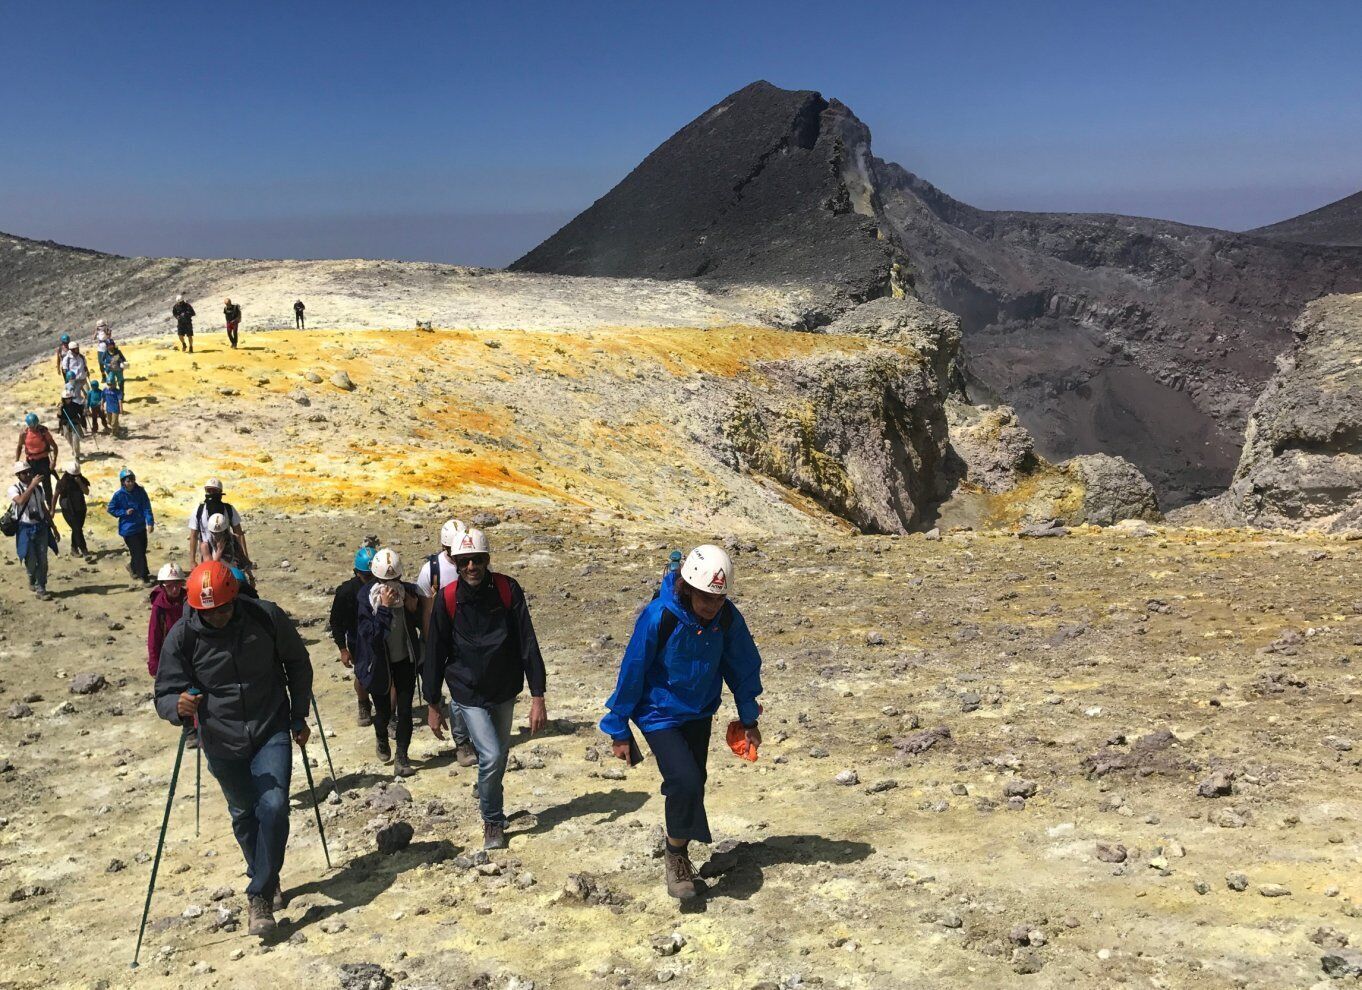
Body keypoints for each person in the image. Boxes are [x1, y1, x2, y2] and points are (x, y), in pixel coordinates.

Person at [153, 561, 313, 937]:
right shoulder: (182, 637)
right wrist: (177, 707)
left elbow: (298, 663)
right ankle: (266, 874)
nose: (219, 616)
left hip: (269, 725)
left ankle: (258, 895)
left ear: (235, 599)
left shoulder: (266, 617)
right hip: (220, 738)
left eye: (224, 608)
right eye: (209, 612)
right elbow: (164, 692)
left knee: (273, 806)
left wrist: (298, 713)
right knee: (244, 813)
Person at [601, 544, 763, 899]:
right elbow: (632, 671)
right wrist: (618, 727)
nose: (713, 606)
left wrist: (748, 718)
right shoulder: (660, 616)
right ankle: (675, 857)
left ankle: (680, 849)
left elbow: (742, 667)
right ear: (687, 588)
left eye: (719, 598)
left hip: (699, 710)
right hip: (658, 713)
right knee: (685, 781)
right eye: (706, 597)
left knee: (695, 784)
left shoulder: (727, 619)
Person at [423, 527, 548, 850]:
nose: (471, 567)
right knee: (491, 755)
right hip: (467, 691)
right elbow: (435, 650)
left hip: (504, 687)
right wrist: (433, 703)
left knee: (500, 754)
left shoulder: (508, 590)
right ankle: (492, 820)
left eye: (477, 560)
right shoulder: (447, 598)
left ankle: (491, 799)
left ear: (487, 559)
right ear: (454, 560)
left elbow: (527, 641)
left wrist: (538, 695)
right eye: (464, 561)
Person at [413, 518, 476, 766]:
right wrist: (433, 645)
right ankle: (462, 741)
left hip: (467, 639)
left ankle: (466, 739)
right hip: (441, 639)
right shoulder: (431, 570)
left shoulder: (470, 565)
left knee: (464, 692)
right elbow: (426, 611)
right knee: (456, 694)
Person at [356, 548, 422, 777]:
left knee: (405, 711)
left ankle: (402, 756)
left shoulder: (408, 593)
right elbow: (371, 635)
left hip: (404, 658)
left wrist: (414, 610)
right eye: (385, 580)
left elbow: (423, 621)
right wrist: (383, 608)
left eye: (394, 579)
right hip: (379, 664)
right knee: (383, 711)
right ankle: (381, 735)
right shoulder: (367, 599)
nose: (391, 585)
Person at [329, 544, 378, 727]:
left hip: (381, 637)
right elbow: (336, 622)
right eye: (367, 576)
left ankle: (389, 713)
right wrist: (342, 649)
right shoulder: (346, 592)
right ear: (357, 573)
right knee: (362, 676)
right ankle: (364, 703)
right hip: (358, 641)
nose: (371, 580)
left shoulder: (384, 586)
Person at [8, 461, 53, 600]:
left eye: (29, 472)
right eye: (24, 473)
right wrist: (32, 485)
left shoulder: (39, 489)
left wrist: (53, 527)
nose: (28, 475)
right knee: (31, 559)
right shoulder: (13, 489)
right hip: (24, 528)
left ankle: (41, 588)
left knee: (43, 559)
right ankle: (31, 576)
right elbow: (21, 501)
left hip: (40, 527)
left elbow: (43, 508)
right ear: (18, 475)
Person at [107, 466, 155, 584]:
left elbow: (146, 507)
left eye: (132, 480)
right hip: (128, 529)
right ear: (123, 482)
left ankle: (132, 567)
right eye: (128, 481)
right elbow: (111, 509)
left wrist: (150, 522)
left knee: (140, 552)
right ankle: (144, 576)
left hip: (140, 527)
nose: (131, 483)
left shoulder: (140, 491)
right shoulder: (119, 495)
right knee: (138, 552)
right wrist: (124, 512)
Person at [188, 479, 251, 567]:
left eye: (214, 490)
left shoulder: (229, 509)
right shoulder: (199, 511)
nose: (211, 493)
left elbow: (239, 534)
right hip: (206, 555)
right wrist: (192, 561)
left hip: (228, 555)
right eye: (208, 490)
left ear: (220, 492)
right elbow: (193, 536)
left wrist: (245, 557)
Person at [147, 562, 186, 677]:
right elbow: (154, 636)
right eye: (169, 586)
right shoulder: (159, 607)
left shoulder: (189, 600)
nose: (175, 589)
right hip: (169, 652)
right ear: (162, 586)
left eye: (178, 584)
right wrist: (154, 664)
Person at [200, 512, 255, 587]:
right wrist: (219, 552)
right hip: (216, 580)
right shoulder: (206, 546)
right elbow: (210, 569)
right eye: (215, 533)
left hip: (234, 576)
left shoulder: (232, 540)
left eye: (220, 533)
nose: (217, 536)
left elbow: (242, 559)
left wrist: (251, 578)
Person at [15, 413, 57, 501]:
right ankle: (35, 504)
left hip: (44, 461)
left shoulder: (43, 432)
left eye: (35, 425)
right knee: (31, 484)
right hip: (31, 462)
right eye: (32, 425)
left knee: (47, 484)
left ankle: (49, 504)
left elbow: (55, 446)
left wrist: (54, 461)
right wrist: (17, 461)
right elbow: (19, 447)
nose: (34, 427)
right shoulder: (24, 434)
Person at [53, 461, 91, 559]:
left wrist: (79, 482)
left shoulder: (81, 480)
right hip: (68, 509)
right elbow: (55, 496)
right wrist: (52, 510)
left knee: (77, 529)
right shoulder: (62, 483)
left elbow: (86, 492)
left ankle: (74, 548)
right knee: (77, 528)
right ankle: (84, 550)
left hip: (80, 508)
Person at [57, 384, 84, 462]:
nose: (68, 400)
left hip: (75, 423)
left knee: (76, 439)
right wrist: (59, 409)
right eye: (66, 399)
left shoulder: (75, 405)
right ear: (63, 399)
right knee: (67, 437)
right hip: (66, 424)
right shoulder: (62, 407)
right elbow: (59, 416)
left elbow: (81, 413)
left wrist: (84, 409)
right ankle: (74, 449)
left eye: (69, 398)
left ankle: (77, 456)